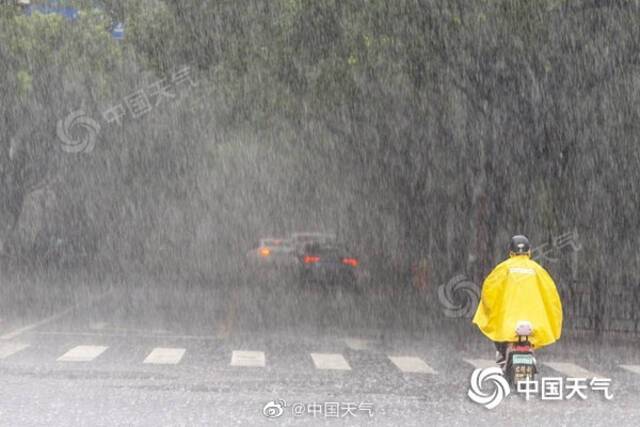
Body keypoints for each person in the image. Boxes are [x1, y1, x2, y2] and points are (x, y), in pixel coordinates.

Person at [472, 235, 563, 367]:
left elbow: (489, 291)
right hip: (533, 321)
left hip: (508, 321)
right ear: (529, 252)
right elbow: (551, 295)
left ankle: (502, 354)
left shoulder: (504, 268)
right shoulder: (538, 270)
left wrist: (491, 309)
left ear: (511, 253)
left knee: (499, 334)